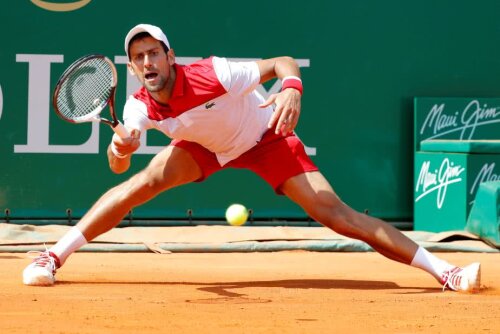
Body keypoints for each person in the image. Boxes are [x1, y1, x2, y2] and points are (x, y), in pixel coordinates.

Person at [23, 23, 480, 292]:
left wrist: (292, 89)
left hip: (264, 137)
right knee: (138, 183)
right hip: (205, 149)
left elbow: (282, 61)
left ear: (170, 56)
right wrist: (119, 149)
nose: (148, 63)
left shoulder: (215, 73)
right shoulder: (138, 105)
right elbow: (119, 163)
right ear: (132, 66)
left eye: (154, 54)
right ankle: (53, 257)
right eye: (138, 57)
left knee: (335, 214)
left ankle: (446, 272)